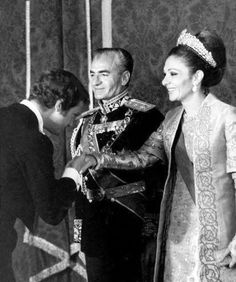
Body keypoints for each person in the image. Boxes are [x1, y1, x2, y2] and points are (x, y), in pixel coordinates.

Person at [78, 29, 236, 281]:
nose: (164, 81)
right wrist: (99, 159)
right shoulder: (172, 119)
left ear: (196, 77)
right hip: (177, 230)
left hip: (220, 233)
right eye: (165, 74)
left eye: (173, 74)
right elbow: (143, 157)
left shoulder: (228, 118)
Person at [70, 48, 166, 282]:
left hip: (130, 225)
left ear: (124, 78)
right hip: (93, 227)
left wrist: (151, 231)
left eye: (104, 74)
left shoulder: (146, 117)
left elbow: (157, 178)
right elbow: (81, 183)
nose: (95, 81)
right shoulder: (85, 121)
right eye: (92, 74)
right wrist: (79, 231)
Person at [0, 69, 88, 282]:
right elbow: (50, 211)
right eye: (74, 115)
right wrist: (72, 173)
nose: (73, 124)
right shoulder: (35, 140)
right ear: (59, 106)